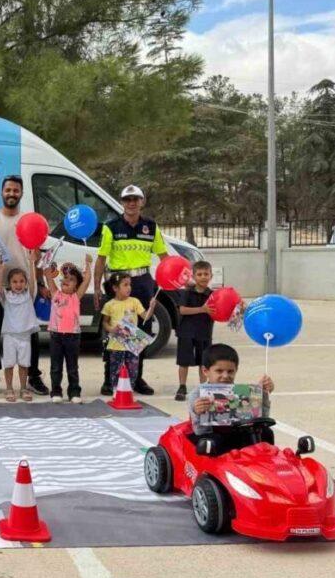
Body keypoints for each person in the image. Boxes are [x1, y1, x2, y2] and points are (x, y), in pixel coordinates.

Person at [0, 176, 50, 396]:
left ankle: (33, 376)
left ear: (21, 193)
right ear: (1, 193)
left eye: (16, 191)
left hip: (24, 288)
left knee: (30, 333)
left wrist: (40, 282)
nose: (11, 194)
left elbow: (36, 256)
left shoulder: (29, 220)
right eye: (8, 190)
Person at [93, 185, 167, 396]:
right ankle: (109, 378)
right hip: (117, 280)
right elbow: (101, 259)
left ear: (142, 202)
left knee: (140, 332)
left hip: (142, 282)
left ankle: (136, 377)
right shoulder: (111, 226)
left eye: (135, 199)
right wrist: (97, 287)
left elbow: (164, 257)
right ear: (122, 202)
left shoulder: (151, 227)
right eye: (127, 200)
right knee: (114, 330)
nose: (131, 203)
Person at [189, 344, 275, 452]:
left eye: (230, 371)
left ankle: (265, 463)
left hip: (237, 432)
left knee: (266, 432)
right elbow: (200, 431)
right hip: (211, 435)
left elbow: (261, 420)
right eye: (219, 371)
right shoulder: (198, 394)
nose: (225, 376)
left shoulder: (242, 392)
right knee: (213, 441)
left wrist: (263, 394)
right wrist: (197, 411)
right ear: (205, 371)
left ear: (236, 370)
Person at [45, 255, 93, 403]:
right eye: (66, 277)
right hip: (56, 336)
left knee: (72, 366)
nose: (67, 280)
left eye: (72, 279)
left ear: (76, 286)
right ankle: (56, 391)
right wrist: (47, 262)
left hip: (72, 337)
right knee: (56, 366)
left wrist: (88, 264)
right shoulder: (55, 294)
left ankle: (74, 392)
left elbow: (86, 281)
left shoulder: (76, 297)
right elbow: (48, 277)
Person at [102, 272, 158, 389]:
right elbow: (105, 322)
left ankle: (129, 390)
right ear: (115, 288)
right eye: (125, 285)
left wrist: (151, 307)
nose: (129, 288)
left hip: (132, 342)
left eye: (129, 284)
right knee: (115, 369)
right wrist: (111, 329)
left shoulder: (135, 302)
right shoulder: (109, 305)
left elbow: (145, 316)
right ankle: (116, 391)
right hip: (116, 344)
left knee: (132, 369)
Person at [0, 261, 40, 402]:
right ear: (9, 283)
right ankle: (9, 388)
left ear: (26, 283)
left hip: (25, 337)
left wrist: (32, 262)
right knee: (8, 364)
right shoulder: (6, 297)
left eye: (21, 281)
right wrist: (1, 268)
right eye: (14, 282)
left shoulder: (29, 296)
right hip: (9, 336)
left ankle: (23, 388)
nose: (18, 284)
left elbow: (33, 283)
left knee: (24, 364)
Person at [175, 260, 216, 402]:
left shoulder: (213, 295)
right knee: (184, 361)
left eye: (206, 274)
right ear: (193, 276)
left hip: (204, 332)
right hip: (186, 332)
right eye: (199, 274)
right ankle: (182, 386)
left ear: (211, 276)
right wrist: (202, 309)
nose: (203, 277)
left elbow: (220, 311)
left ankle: (203, 387)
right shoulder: (187, 293)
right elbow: (183, 310)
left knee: (203, 362)